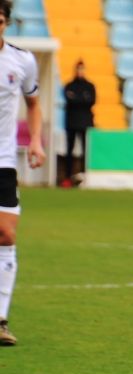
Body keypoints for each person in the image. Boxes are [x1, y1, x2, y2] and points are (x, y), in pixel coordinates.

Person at [0, 1, 45, 346]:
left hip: (3, 161)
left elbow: (33, 103)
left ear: (6, 22)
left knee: (7, 236)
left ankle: (0, 320)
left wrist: (36, 142)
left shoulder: (22, 60)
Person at [63, 60, 95, 182]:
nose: (80, 72)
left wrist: (76, 98)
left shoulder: (90, 86)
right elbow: (70, 99)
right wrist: (83, 98)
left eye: (82, 69)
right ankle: (67, 177)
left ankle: (85, 176)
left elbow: (91, 101)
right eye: (78, 69)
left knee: (85, 151)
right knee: (69, 150)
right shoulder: (69, 85)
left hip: (85, 122)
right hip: (71, 122)